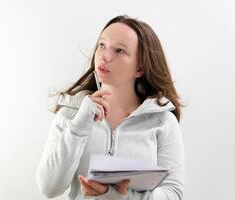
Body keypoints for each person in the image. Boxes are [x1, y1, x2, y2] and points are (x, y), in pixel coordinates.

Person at [36, 15, 185, 200]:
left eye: (120, 50)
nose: (105, 56)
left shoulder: (163, 121)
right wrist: (78, 127)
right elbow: (49, 188)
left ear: (140, 68)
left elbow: (173, 194)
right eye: (102, 45)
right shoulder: (71, 113)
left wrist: (118, 196)